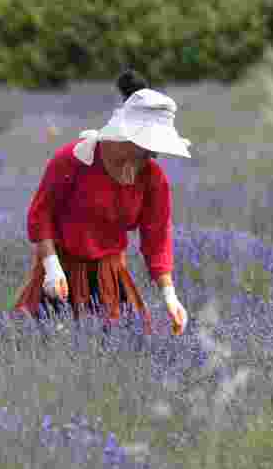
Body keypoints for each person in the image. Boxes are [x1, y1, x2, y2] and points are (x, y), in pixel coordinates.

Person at [13, 68, 190, 336]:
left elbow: (157, 237)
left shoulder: (152, 177)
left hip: (110, 276)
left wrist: (169, 296)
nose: (154, 153)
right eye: (148, 146)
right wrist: (50, 267)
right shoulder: (72, 160)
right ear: (126, 136)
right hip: (62, 272)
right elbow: (41, 215)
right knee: (43, 343)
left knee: (123, 346)